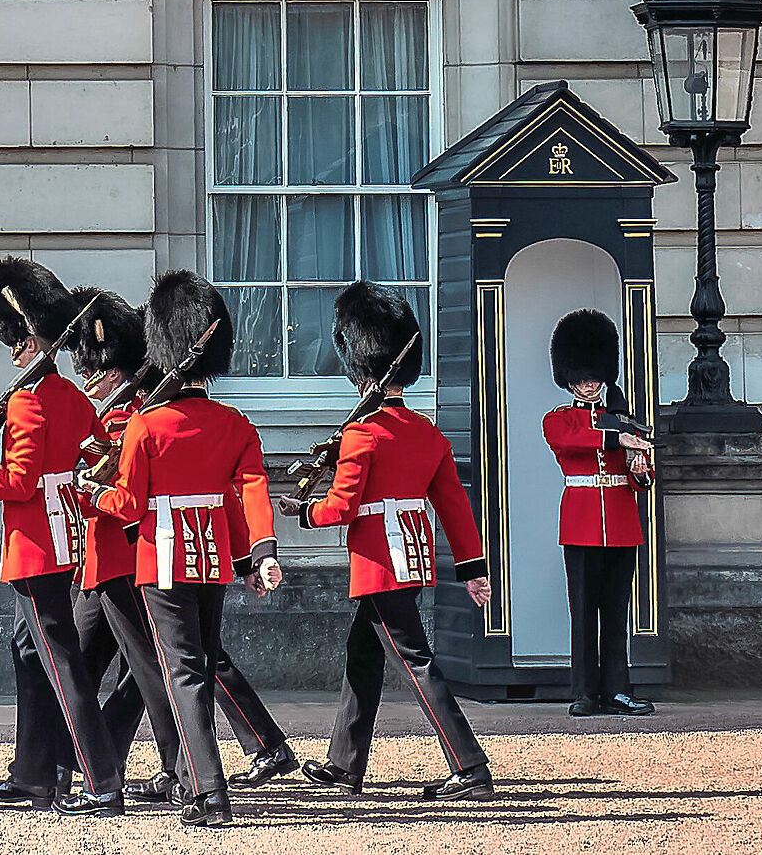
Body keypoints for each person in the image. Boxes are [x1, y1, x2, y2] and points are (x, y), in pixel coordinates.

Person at [80, 271, 281, 828]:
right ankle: (201, 782)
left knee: (183, 673)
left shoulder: (146, 427)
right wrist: (261, 553)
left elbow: (127, 506)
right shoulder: (234, 424)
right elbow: (251, 491)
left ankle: (207, 791)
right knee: (201, 664)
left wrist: (90, 491)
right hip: (214, 559)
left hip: (160, 560)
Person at [281, 282, 495, 800]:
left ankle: (470, 767)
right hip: (414, 556)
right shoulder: (425, 430)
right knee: (364, 653)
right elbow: (454, 508)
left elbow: (342, 508)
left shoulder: (362, 434)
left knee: (415, 662)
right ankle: (343, 763)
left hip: (378, 560)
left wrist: (302, 512)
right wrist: (472, 568)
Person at [0, 258, 124, 817]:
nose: (11, 351)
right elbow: (101, 452)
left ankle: (100, 778)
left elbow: (16, 483)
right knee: (29, 652)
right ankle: (36, 775)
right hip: (66, 536)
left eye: (15, 341)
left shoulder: (26, 401)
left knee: (61, 663)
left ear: (26, 341)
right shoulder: (71, 395)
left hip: (37, 546)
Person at [547, 308, 658, 717]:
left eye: (594, 376)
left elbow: (640, 482)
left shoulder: (624, 420)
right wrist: (620, 437)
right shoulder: (558, 419)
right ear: (570, 378)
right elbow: (574, 441)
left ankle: (617, 690)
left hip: (622, 526)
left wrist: (641, 467)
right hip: (580, 526)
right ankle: (584, 692)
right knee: (583, 613)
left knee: (615, 613)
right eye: (581, 377)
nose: (589, 383)